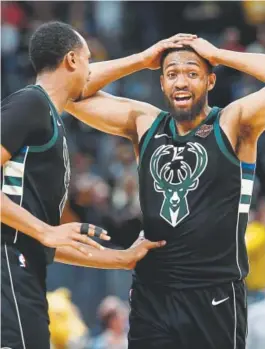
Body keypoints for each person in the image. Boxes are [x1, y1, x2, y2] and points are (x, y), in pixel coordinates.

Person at [66, 38, 265, 349]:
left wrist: (218, 55)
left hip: (214, 293)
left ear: (210, 80)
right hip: (152, 295)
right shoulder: (145, 123)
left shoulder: (233, 122)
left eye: (192, 73)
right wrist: (141, 58)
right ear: (160, 83)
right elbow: (68, 90)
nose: (181, 82)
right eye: (171, 74)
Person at [1, 21, 183, 349]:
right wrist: (45, 231)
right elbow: (43, 235)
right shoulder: (30, 104)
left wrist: (121, 258)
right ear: (72, 60)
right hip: (9, 270)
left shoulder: (47, 114)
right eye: (88, 59)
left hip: (24, 272)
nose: (92, 69)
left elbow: (45, 242)